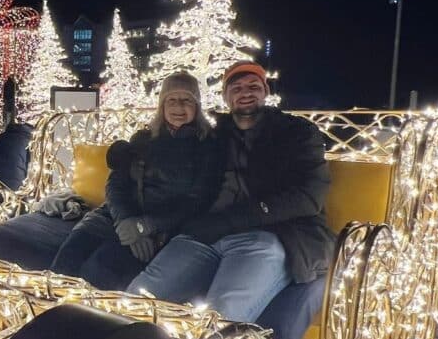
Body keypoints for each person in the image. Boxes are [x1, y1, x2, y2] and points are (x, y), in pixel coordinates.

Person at [127, 60, 334, 323]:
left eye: (253, 86)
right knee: (138, 301)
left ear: (265, 91)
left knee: (218, 320)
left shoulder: (297, 133)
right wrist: (128, 151)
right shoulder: (215, 135)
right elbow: (169, 147)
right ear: (226, 96)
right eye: (236, 88)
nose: (245, 92)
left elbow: (308, 197)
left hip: (272, 236)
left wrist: (229, 220)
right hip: (206, 235)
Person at [50, 72, 222, 290]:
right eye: (172, 99)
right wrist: (125, 220)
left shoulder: (207, 145)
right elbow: (115, 184)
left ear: (196, 106)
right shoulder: (143, 139)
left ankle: (86, 322)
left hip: (159, 225)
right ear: (162, 105)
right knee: (64, 266)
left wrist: (145, 226)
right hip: (116, 216)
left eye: (186, 99)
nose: (179, 106)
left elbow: (199, 201)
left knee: (99, 272)